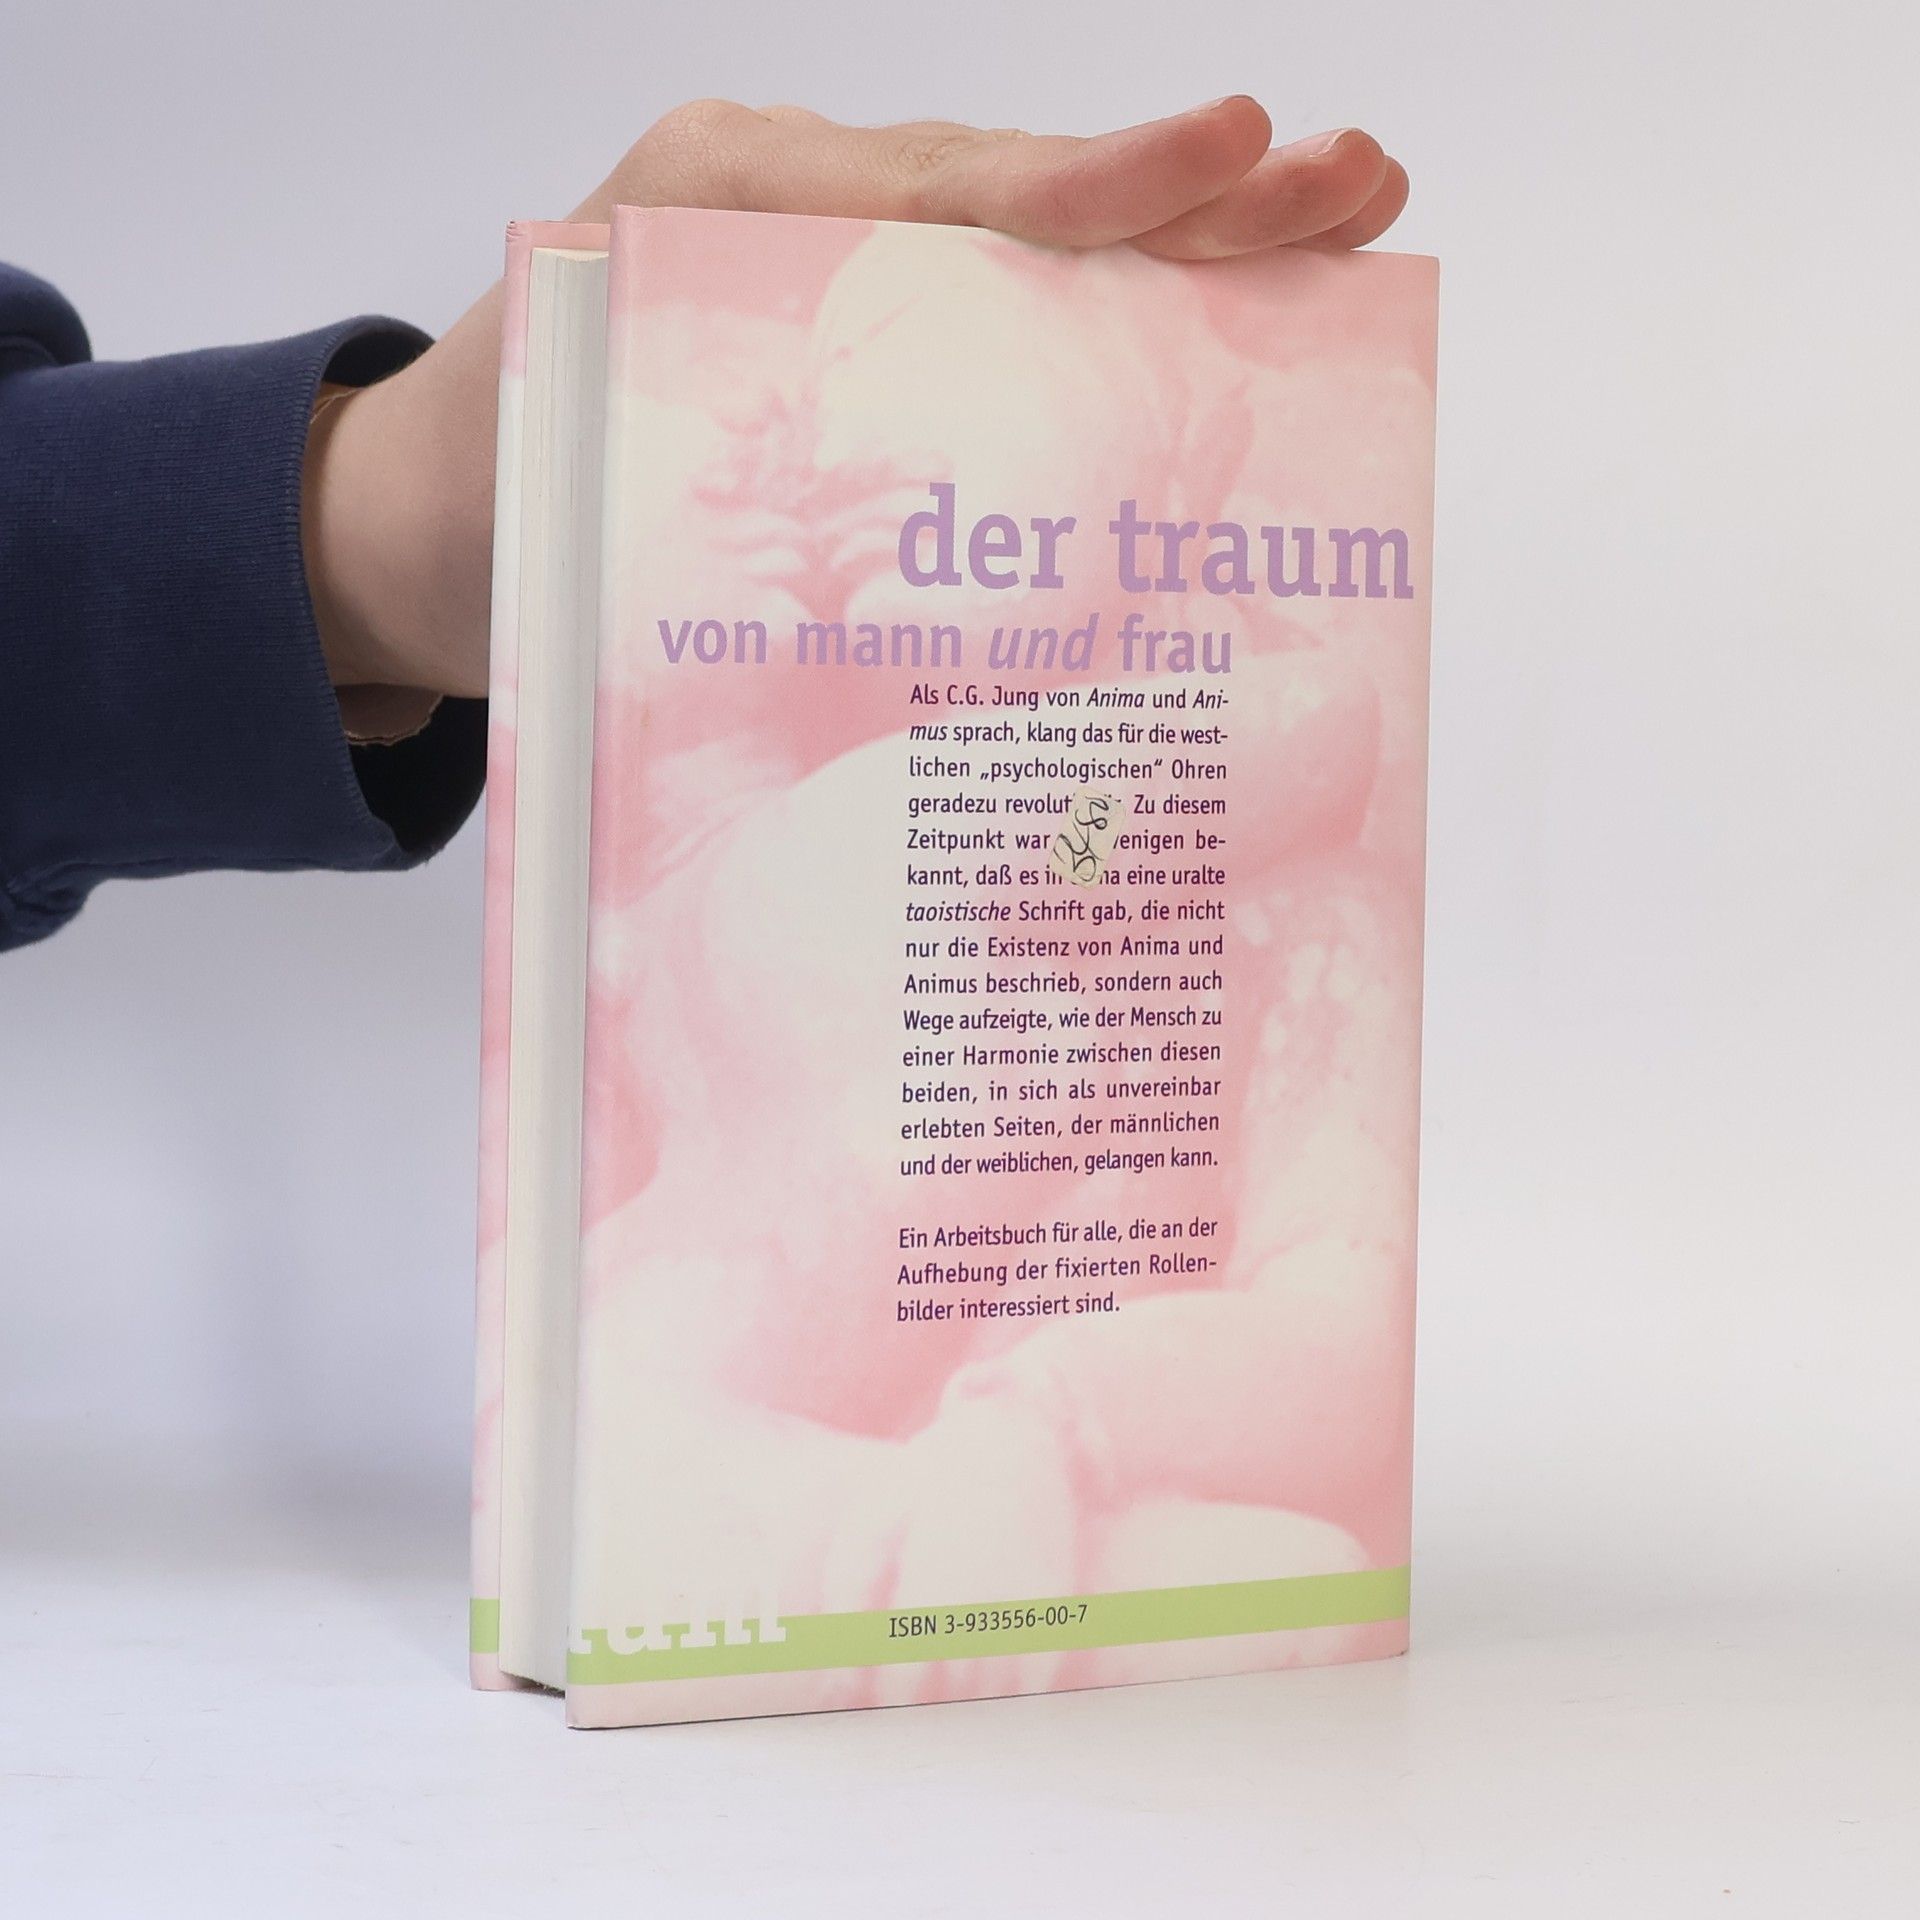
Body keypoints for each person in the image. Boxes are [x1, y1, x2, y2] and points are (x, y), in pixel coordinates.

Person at [0, 97, 1407, 952]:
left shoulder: (1245, 704)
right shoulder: (741, 724)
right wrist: (369, 528)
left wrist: (368, 524)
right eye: (827, 403)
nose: (851, 463)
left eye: (936, 389)